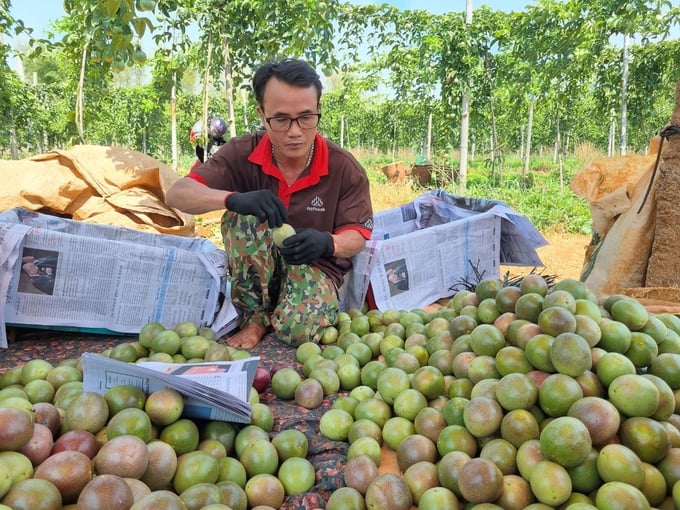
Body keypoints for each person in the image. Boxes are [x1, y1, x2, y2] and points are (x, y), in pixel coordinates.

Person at [166, 58, 373, 349]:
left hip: (314, 267)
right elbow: (177, 194)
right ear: (262, 115)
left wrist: (328, 243)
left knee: (298, 333)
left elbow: (358, 236)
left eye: (306, 117)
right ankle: (255, 317)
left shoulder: (343, 167)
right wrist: (233, 198)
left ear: (318, 111)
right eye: (281, 119)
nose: (295, 131)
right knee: (241, 215)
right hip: (257, 269)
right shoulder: (241, 152)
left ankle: (286, 310)